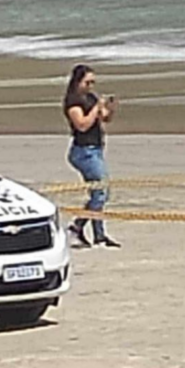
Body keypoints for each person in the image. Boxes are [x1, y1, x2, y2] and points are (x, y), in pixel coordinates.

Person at [63, 64, 121, 248]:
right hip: (83, 152)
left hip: (96, 148)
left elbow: (103, 118)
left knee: (100, 192)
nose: (90, 86)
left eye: (92, 83)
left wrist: (109, 109)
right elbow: (82, 124)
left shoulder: (91, 98)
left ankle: (97, 234)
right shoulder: (73, 102)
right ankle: (80, 227)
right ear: (78, 81)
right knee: (100, 191)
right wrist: (96, 108)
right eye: (87, 82)